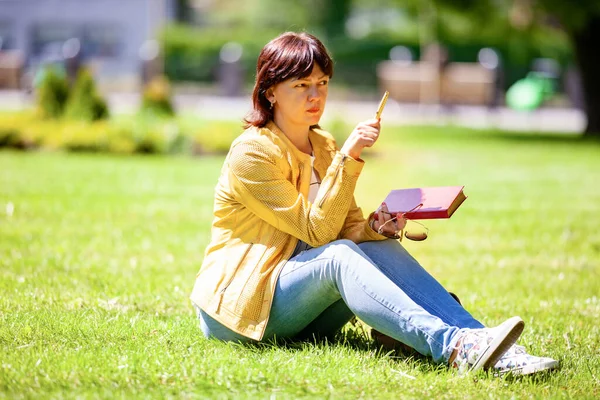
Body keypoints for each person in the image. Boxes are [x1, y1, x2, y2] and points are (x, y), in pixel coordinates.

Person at [190, 32, 558, 376]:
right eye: (300, 86)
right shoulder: (252, 153)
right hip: (243, 308)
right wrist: (349, 157)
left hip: (299, 304)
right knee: (339, 258)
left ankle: (490, 346)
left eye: (321, 83)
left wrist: (374, 228)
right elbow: (318, 233)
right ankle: (453, 346)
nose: (314, 96)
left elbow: (344, 226)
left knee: (373, 247)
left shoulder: (322, 145)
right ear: (270, 92)